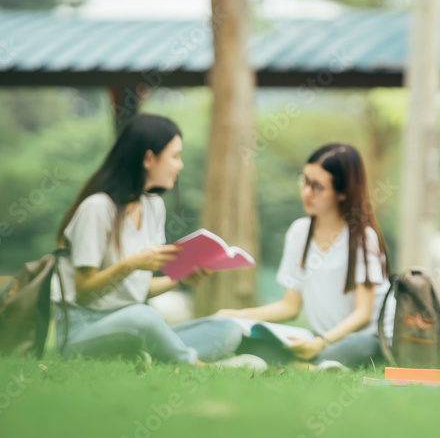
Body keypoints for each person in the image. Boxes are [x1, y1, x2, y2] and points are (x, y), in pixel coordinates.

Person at [53, 113, 242, 365]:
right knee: (143, 318)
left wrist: (181, 280)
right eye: (174, 156)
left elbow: (138, 291)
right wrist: (131, 264)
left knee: (227, 329)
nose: (180, 165)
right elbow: (85, 293)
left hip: (134, 323)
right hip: (84, 331)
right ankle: (193, 365)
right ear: (149, 159)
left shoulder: (154, 207)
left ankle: (148, 357)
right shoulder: (97, 208)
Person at [214, 143, 394, 368]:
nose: (307, 192)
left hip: (362, 338)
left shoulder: (362, 237)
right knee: (243, 337)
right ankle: (311, 366)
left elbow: (363, 314)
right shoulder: (299, 233)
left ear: (342, 193)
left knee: (358, 346)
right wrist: (239, 315)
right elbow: (290, 306)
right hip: (321, 341)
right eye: (305, 181)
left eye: (318, 187)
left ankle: (303, 365)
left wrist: (322, 342)